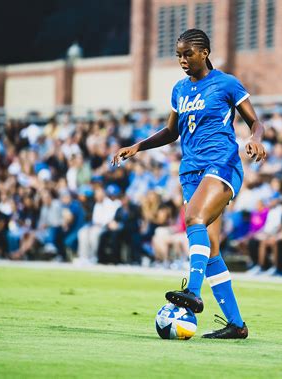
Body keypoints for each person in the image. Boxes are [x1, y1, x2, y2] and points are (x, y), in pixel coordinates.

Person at [113, 29, 266, 339]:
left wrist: (255, 139)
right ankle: (236, 325)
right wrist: (138, 147)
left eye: (188, 54)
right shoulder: (179, 90)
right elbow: (172, 132)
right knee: (210, 251)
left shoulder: (225, 83)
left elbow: (254, 121)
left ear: (205, 53)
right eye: (179, 55)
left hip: (221, 164)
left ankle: (193, 292)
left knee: (193, 218)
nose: (182, 59)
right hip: (190, 172)